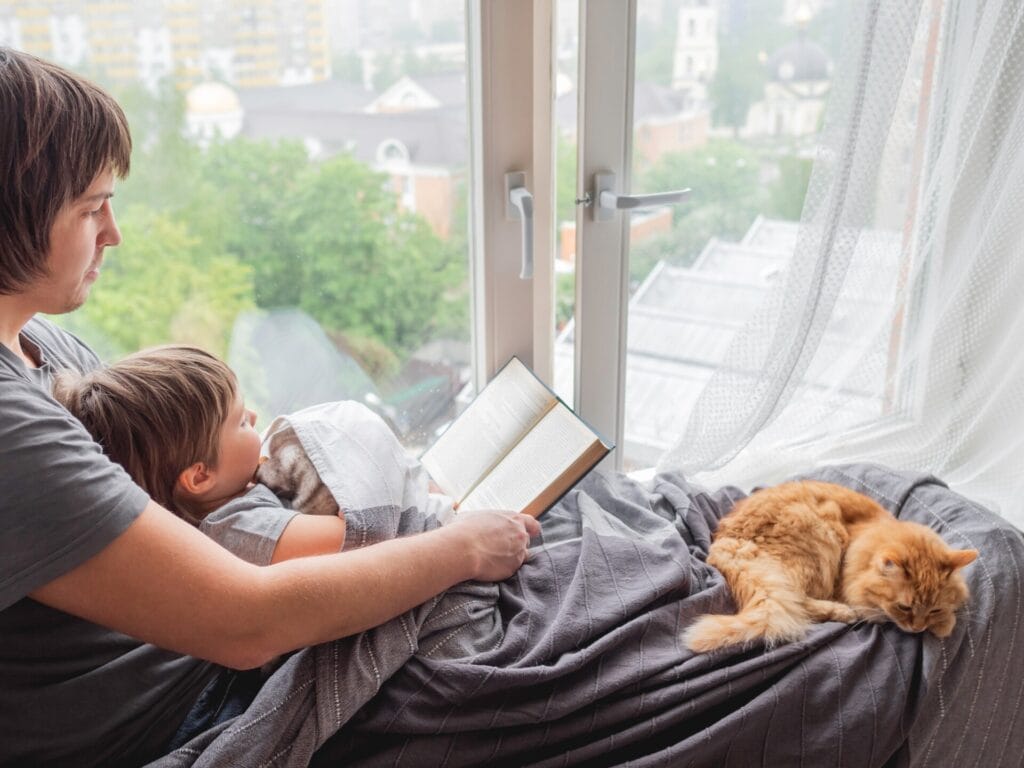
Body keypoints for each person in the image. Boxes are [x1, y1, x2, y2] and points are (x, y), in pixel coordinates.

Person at [0, 46, 539, 767]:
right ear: (14, 214)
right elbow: (246, 620)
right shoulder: (12, 430)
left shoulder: (45, 349)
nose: (114, 234)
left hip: (199, 665)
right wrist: (463, 548)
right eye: (92, 207)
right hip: (184, 711)